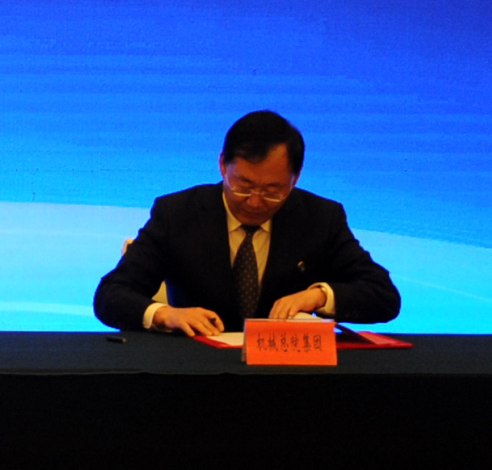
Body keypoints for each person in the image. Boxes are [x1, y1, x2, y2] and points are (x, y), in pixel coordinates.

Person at [93, 110, 399, 335]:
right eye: (243, 186)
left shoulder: (320, 218)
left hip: (288, 377)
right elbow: (111, 295)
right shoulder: (177, 213)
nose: (254, 202)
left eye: (273, 191)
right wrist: (166, 315)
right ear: (222, 166)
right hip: (197, 372)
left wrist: (318, 296)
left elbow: (384, 296)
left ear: (295, 178)